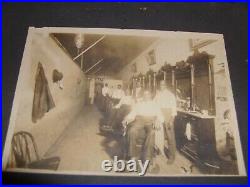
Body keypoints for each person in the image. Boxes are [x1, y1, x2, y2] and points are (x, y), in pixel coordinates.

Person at [123, 90, 164, 171]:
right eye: (144, 94)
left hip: (151, 121)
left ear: (150, 95)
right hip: (139, 120)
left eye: (147, 94)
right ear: (143, 96)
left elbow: (161, 116)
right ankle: (132, 156)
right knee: (132, 130)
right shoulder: (139, 104)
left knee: (152, 133)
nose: (146, 96)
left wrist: (159, 120)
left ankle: (147, 159)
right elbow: (133, 113)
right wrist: (127, 118)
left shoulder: (155, 104)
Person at [154, 80, 177, 164]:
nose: (161, 86)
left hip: (168, 114)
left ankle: (172, 156)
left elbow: (174, 108)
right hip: (159, 114)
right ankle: (159, 149)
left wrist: (171, 119)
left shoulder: (170, 95)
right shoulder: (158, 94)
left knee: (170, 136)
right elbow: (154, 104)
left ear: (166, 85)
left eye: (163, 84)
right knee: (159, 133)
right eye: (160, 84)